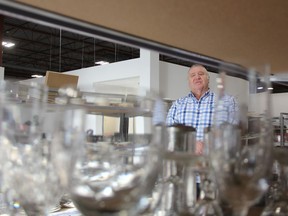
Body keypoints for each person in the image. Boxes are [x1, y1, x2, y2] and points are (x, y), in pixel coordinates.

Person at [166, 64, 238, 154]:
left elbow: (234, 132)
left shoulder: (228, 101)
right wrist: (191, 145)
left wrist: (207, 144)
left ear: (208, 79)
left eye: (201, 74)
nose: (197, 77)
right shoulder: (177, 104)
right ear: (189, 81)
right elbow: (169, 135)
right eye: (193, 75)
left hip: (216, 161)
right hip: (185, 162)